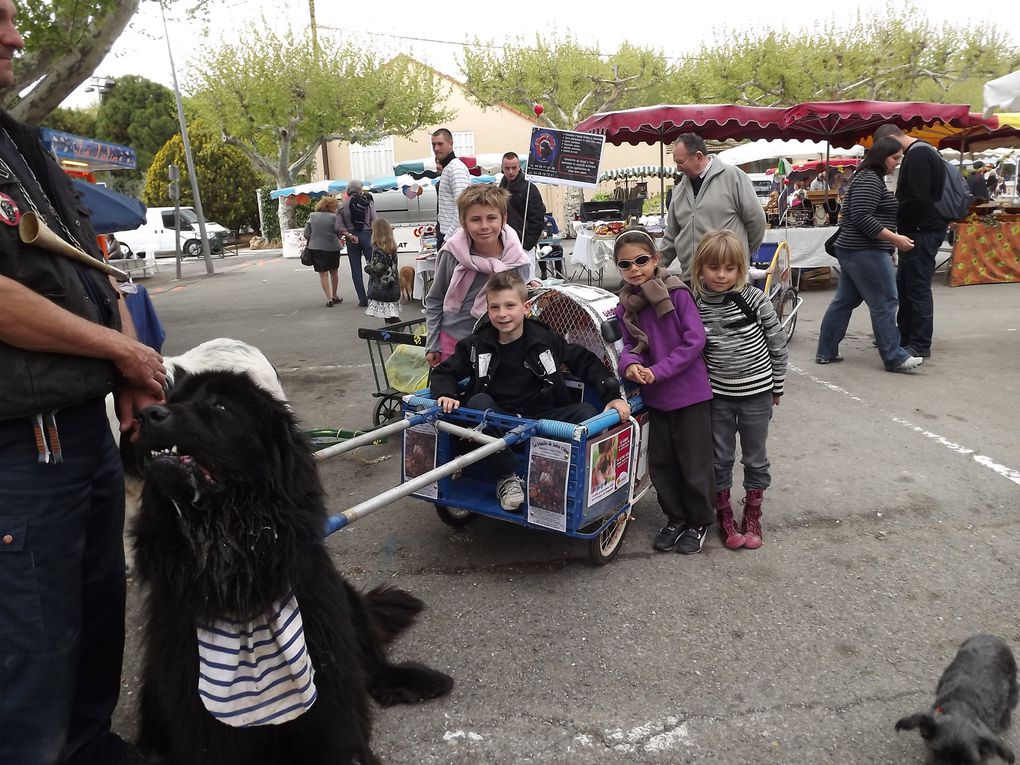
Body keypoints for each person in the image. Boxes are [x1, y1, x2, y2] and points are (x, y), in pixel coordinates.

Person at [0, 2, 167, 762]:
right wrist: (119, 353)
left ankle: (91, 745)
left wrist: (127, 362)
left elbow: (90, 264)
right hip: (20, 446)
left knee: (100, 607)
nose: (15, 36)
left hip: (80, 427)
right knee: (36, 640)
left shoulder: (18, 141)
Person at [429, 271, 630, 511]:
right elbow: (443, 372)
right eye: (495, 307)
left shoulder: (544, 338)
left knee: (586, 412)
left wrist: (613, 397)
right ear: (488, 310)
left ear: (525, 308)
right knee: (477, 401)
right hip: (498, 421)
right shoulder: (477, 343)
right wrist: (446, 394)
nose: (502, 314)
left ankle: (559, 473)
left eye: (510, 306)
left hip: (542, 418)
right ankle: (507, 476)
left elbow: (585, 362)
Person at [614, 228, 715, 554]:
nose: (635, 269)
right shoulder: (626, 305)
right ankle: (675, 518)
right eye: (625, 264)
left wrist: (657, 371)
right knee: (661, 463)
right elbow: (629, 345)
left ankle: (698, 521)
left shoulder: (677, 293)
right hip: (656, 398)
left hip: (689, 394)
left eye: (641, 260)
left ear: (656, 259)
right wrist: (630, 365)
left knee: (694, 462)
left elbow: (694, 340)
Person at [691, 230, 788, 550]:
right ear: (700, 268)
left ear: (741, 269)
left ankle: (753, 511)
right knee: (719, 457)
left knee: (755, 457)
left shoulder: (755, 299)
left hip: (757, 393)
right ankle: (724, 513)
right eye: (714, 268)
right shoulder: (695, 303)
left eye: (730, 268)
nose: (721, 275)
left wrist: (778, 386)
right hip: (717, 395)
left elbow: (776, 342)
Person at [815, 136, 923, 373]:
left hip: (855, 249)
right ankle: (894, 357)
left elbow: (860, 215)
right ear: (881, 157)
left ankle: (826, 351)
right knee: (885, 301)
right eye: (895, 158)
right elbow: (864, 217)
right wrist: (895, 240)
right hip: (865, 250)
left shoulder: (866, 178)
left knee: (844, 301)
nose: (897, 162)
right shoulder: (870, 180)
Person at [424, 185, 533, 366]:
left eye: (491, 218)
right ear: (463, 221)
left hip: (500, 346)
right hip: (453, 343)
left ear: (504, 219)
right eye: (475, 219)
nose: (484, 226)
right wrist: (432, 344)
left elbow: (520, 305)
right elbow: (435, 299)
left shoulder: (517, 262)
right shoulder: (451, 254)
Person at [873, 124, 949, 360]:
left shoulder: (918, 154)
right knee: (906, 285)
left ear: (890, 139)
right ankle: (904, 336)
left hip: (921, 230)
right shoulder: (924, 151)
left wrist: (892, 212)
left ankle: (919, 343)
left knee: (916, 287)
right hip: (922, 229)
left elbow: (917, 197)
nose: (892, 158)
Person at [659, 132, 766, 282]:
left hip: (727, 280)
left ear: (698, 156)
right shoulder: (680, 189)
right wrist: (653, 267)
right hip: (692, 278)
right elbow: (671, 236)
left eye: (680, 162)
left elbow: (757, 222)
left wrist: (739, 255)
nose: (678, 168)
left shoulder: (733, 177)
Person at [499, 151, 546, 275]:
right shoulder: (500, 188)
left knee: (527, 282)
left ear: (519, 167)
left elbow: (538, 219)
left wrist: (527, 244)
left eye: (514, 168)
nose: (510, 171)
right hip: (505, 245)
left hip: (524, 245)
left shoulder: (530, 188)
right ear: (502, 168)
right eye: (507, 168)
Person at [333, 179, 374, 307]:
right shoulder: (367, 202)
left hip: (351, 238)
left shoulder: (342, 206)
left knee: (356, 270)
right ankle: (371, 294)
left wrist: (349, 235)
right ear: (360, 189)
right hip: (366, 235)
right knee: (373, 267)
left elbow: (338, 226)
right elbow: (374, 219)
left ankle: (362, 299)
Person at [431, 128, 471, 249]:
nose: (436, 148)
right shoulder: (449, 168)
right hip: (448, 235)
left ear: (451, 144)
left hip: (453, 238)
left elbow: (462, 208)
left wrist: (448, 239)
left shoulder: (455, 169)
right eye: (433, 144)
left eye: (440, 144)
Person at [303, 196, 343, 307]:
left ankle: (329, 298)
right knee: (334, 272)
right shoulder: (334, 218)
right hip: (333, 247)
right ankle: (335, 296)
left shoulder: (312, 216)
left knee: (323, 274)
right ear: (331, 206)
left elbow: (306, 234)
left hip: (317, 248)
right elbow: (339, 232)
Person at [365, 218, 402, 325]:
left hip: (382, 288)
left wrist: (367, 267)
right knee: (391, 315)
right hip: (393, 286)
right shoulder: (392, 247)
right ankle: (396, 331)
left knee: (389, 317)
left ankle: (392, 335)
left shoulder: (378, 251)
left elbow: (378, 269)